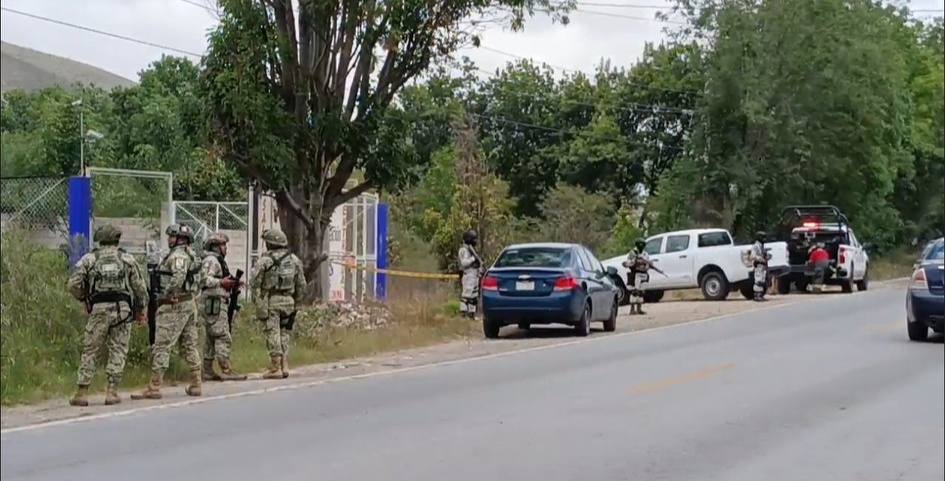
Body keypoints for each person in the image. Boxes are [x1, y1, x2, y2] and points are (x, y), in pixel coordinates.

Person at [67, 225, 148, 406]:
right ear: (117, 239)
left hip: (98, 309)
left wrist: (84, 298)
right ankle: (112, 392)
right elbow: (141, 289)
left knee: (90, 350)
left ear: (100, 239)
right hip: (123, 310)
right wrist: (141, 311)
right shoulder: (127, 259)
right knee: (118, 349)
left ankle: (82, 392)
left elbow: (72, 284)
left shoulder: (89, 259)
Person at [132, 224, 203, 400]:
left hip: (174, 306)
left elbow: (178, 277)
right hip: (188, 303)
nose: (169, 239)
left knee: (162, 345)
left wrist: (168, 293)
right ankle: (196, 383)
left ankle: (155, 386)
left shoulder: (178, 256)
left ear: (180, 238)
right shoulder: (191, 254)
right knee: (189, 345)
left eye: (172, 236)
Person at [250, 228, 306, 379]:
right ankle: (284, 364)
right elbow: (301, 284)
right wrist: (298, 302)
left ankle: (275, 367)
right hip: (289, 301)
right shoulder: (294, 260)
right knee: (284, 333)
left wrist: (257, 300)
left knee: (273, 332)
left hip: (272, 301)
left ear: (270, 244)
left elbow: (254, 282)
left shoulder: (265, 261)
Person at [199, 232, 246, 381]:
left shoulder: (217, 260)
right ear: (215, 246)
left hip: (216, 302)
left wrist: (233, 283)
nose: (226, 248)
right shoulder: (212, 260)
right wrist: (221, 283)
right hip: (214, 303)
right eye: (223, 245)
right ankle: (226, 369)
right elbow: (204, 279)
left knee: (211, 338)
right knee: (222, 335)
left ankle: (207, 370)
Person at [622, 239, 663, 315]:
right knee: (635, 291)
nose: (641, 246)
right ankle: (632, 309)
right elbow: (628, 263)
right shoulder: (633, 253)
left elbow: (648, 264)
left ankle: (639, 308)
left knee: (641, 292)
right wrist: (635, 263)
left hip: (644, 274)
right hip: (636, 274)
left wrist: (647, 266)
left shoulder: (645, 254)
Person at [458, 230, 483, 319]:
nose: (475, 241)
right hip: (468, 274)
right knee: (466, 295)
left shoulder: (471, 249)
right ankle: (463, 314)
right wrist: (473, 258)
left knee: (474, 296)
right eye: (473, 239)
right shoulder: (464, 250)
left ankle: (472, 315)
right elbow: (464, 263)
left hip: (475, 274)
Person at [749, 231, 771, 301]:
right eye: (763, 237)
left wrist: (767, 256)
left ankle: (760, 295)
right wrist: (761, 259)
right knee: (758, 280)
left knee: (762, 280)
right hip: (758, 265)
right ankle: (757, 295)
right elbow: (752, 256)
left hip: (763, 265)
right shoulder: (756, 246)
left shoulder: (761, 246)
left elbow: (763, 254)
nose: (764, 239)